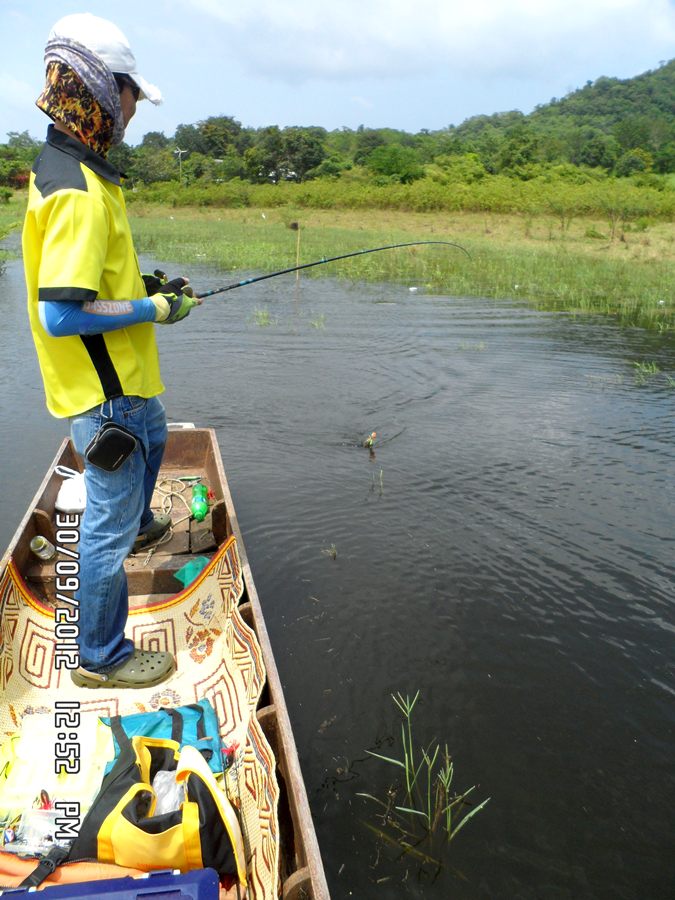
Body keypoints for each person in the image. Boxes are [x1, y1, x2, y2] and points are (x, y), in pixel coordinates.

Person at [22, 13, 200, 689]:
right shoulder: (77, 192)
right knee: (104, 531)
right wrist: (155, 310)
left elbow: (93, 283)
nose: (133, 110)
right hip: (106, 396)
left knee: (154, 438)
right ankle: (100, 657)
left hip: (126, 390)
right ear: (100, 89)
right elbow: (61, 312)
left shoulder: (73, 170)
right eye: (129, 94)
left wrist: (150, 287)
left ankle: (138, 520)